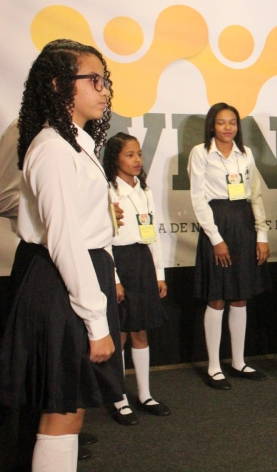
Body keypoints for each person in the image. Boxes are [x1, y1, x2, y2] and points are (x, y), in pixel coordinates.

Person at [0, 39, 123, 472]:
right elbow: (65, 240)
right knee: (62, 409)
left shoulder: (75, 143)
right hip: (60, 283)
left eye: (105, 81)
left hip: (76, 276)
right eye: (94, 80)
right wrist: (96, 322)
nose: (104, 90)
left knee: (69, 409)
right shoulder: (52, 147)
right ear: (58, 84)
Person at [189, 102, 271, 390]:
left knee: (240, 297)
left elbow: (255, 195)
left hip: (244, 223)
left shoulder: (245, 153)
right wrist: (216, 238)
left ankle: (238, 361)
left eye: (233, 122)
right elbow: (198, 199)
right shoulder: (200, 153)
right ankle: (214, 366)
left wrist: (261, 235)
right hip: (217, 223)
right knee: (217, 297)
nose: (228, 127)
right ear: (212, 126)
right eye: (221, 122)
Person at [103, 133, 170, 424]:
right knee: (119, 333)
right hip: (119, 261)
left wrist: (159, 273)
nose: (137, 160)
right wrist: (114, 279)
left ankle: (145, 394)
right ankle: (119, 398)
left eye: (139, 154)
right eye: (129, 155)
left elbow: (152, 233)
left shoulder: (144, 190)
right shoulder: (107, 190)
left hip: (143, 262)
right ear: (115, 158)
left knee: (140, 331)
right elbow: (104, 239)